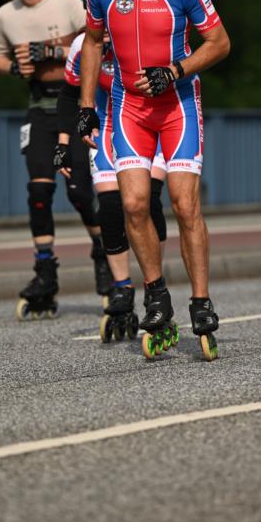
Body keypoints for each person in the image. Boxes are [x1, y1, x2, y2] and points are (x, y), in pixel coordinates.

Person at [77, 0, 230, 359]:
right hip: (127, 109)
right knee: (134, 204)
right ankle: (157, 295)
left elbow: (220, 43)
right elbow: (92, 41)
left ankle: (200, 303)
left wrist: (177, 70)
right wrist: (86, 105)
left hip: (177, 106)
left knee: (185, 205)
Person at [0, 0, 111, 318]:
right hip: (39, 109)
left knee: (78, 191)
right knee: (38, 191)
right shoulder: (5, 15)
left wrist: (51, 50)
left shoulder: (68, 1)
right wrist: (13, 68)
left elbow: (98, 40)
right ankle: (45, 273)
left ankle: (103, 256)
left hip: (73, 104)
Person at [54, 30, 167, 340]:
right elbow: (68, 94)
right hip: (108, 128)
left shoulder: (143, 32)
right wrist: (63, 144)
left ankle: (155, 289)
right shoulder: (83, 45)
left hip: (152, 125)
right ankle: (122, 290)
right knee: (110, 209)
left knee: (148, 205)